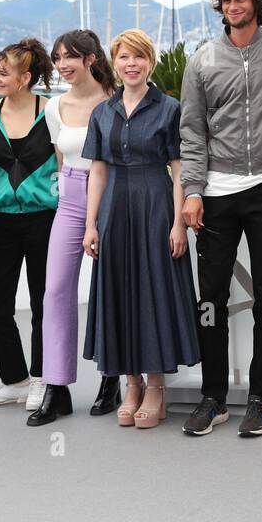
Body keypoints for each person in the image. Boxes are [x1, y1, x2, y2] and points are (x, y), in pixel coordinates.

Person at [178, 0, 262, 437]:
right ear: (220, 5)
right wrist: (191, 191)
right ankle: (213, 397)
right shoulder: (202, 59)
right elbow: (191, 131)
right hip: (218, 192)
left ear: (257, 3)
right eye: (227, 0)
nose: (235, 6)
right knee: (211, 300)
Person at [82, 29, 200, 428]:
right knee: (120, 292)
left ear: (150, 62)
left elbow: (180, 168)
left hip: (154, 202)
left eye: (139, 57)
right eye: (123, 58)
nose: (131, 64)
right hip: (114, 207)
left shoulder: (169, 108)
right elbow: (97, 170)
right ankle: (129, 383)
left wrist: (178, 221)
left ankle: (155, 386)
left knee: (152, 292)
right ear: (113, 64)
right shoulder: (102, 112)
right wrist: (90, 224)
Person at [29, 30, 120, 424]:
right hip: (69, 198)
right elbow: (61, 160)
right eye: (58, 57)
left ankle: (113, 378)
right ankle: (57, 386)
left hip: (114, 196)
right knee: (56, 290)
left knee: (112, 287)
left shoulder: (116, 101)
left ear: (90, 58)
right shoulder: (54, 107)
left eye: (71, 57)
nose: (63, 64)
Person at [0, 39, 58, 412]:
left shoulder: (52, 113)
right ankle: (15, 380)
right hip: (1, 221)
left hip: (45, 220)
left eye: (2, 73)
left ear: (26, 78)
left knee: (44, 304)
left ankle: (42, 379)